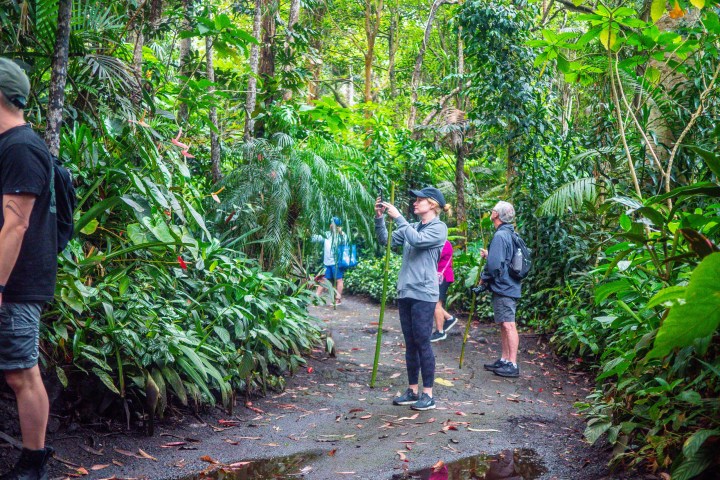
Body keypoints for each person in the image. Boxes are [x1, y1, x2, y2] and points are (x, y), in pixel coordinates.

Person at [0, 58, 57, 479]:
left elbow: (16, 224)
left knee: (22, 373)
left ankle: (33, 462)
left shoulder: (20, 147)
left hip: (15, 284)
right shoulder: (13, 145)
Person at [375, 187, 449, 411]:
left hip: (424, 294)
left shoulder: (438, 228)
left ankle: (428, 394)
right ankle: (412, 390)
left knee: (422, 341)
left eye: (420, 200)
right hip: (406, 291)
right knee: (410, 343)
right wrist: (379, 219)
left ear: (433, 204)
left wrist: (398, 217)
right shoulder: (413, 227)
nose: (415, 203)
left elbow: (417, 241)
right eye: (415, 200)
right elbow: (385, 240)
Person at [477, 201, 522, 378]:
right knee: (504, 323)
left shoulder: (500, 236)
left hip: (504, 286)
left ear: (496, 215)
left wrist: (483, 279)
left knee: (508, 324)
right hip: (509, 284)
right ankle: (505, 359)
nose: (491, 212)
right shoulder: (509, 233)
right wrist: (490, 255)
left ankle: (512, 363)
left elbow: (495, 266)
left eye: (493, 210)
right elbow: (502, 259)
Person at [311, 217, 348, 305]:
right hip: (327, 262)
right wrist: (309, 233)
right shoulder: (327, 234)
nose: (331, 225)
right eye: (331, 223)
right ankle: (317, 296)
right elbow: (315, 238)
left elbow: (345, 243)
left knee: (338, 280)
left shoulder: (342, 234)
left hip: (337, 262)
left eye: (333, 223)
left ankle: (337, 299)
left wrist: (341, 233)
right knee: (324, 279)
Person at [430, 240, 457, 342]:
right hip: (439, 276)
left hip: (443, 276)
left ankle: (440, 332)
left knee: (436, 303)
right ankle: (449, 318)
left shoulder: (445, 243)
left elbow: (434, 257)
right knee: (434, 302)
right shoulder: (439, 242)